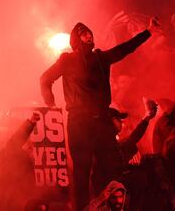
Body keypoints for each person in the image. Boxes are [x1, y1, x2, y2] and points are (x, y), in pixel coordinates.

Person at [40, 17, 160, 211]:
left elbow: (124, 49)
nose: (89, 35)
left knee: (111, 165)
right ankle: (81, 208)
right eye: (84, 33)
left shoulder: (100, 58)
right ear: (76, 39)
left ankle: (112, 204)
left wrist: (148, 31)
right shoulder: (67, 60)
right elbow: (45, 79)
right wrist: (50, 103)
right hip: (79, 122)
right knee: (81, 169)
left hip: (101, 120)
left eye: (90, 32)